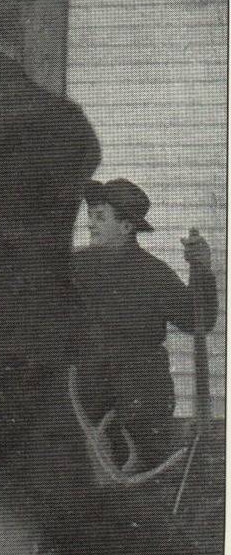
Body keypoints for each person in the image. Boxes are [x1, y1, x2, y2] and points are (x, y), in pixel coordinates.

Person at [72, 178, 216, 466]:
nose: (90, 224)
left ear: (126, 226)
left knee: (141, 469)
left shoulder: (153, 274)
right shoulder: (74, 268)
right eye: (90, 216)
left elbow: (196, 320)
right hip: (86, 393)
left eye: (100, 217)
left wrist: (203, 269)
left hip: (140, 396)